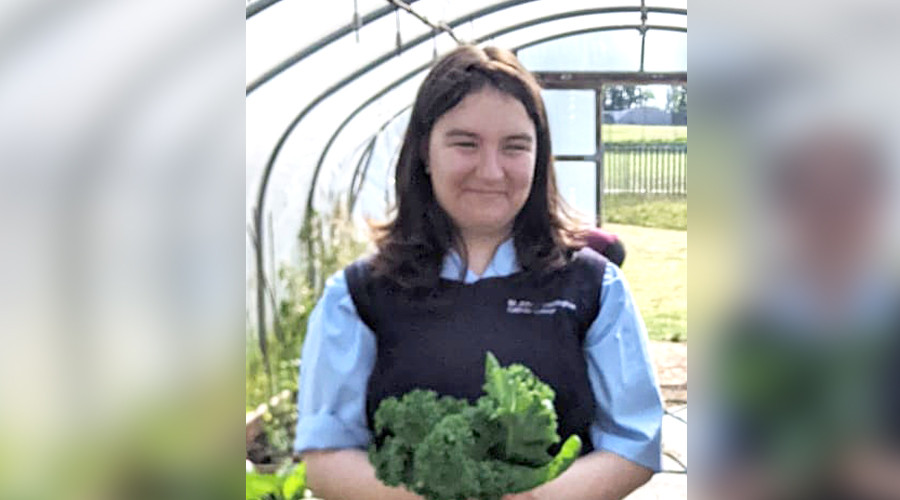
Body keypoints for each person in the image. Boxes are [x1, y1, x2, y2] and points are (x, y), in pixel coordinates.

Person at [294, 45, 663, 500]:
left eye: (515, 147)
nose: (491, 171)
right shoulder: (358, 296)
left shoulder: (594, 288)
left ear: (539, 157)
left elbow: (634, 442)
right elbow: (326, 453)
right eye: (465, 143)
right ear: (425, 153)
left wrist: (533, 499)